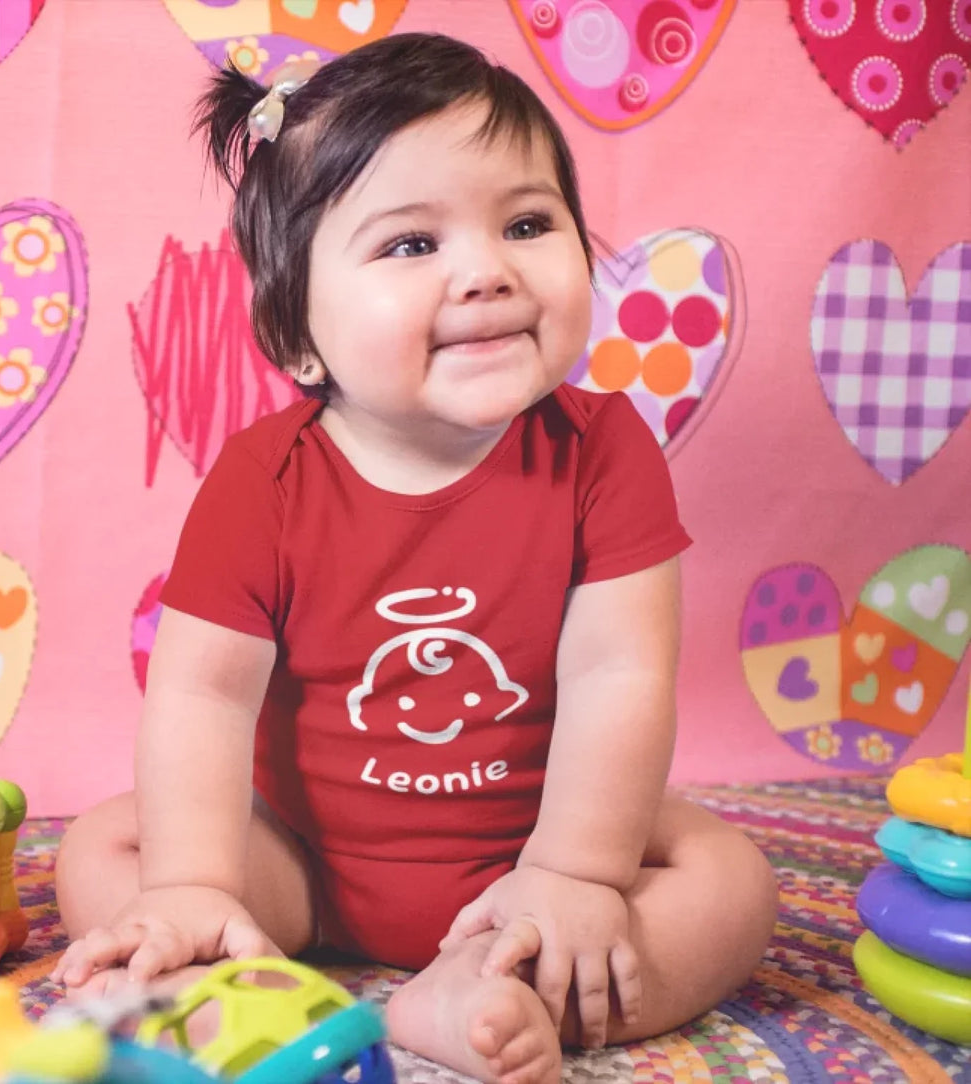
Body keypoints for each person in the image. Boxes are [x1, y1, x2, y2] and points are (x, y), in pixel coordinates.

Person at [52, 32, 778, 1084]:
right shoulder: (264, 478)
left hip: (532, 843)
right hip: (303, 858)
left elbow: (622, 671)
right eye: (408, 245)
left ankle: (492, 987)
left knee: (725, 881)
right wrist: (197, 883)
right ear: (295, 332)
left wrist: (574, 870)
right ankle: (227, 973)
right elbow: (201, 696)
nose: (485, 271)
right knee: (109, 855)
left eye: (525, 223)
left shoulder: (601, 450)